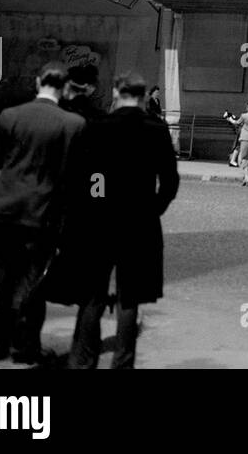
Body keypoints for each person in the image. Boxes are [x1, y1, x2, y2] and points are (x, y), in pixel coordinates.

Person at [48, 72, 179, 369]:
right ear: (144, 96)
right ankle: (122, 362)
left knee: (92, 293)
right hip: (139, 222)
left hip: (99, 221)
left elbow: (83, 176)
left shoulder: (98, 127)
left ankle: (83, 359)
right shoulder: (156, 129)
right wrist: (153, 209)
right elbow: (169, 182)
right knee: (129, 298)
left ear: (118, 94)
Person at [0, 61, 85, 365]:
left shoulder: (10, 116)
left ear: (38, 82)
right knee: (33, 283)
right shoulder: (73, 125)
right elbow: (73, 178)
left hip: (6, 209)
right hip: (44, 213)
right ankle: (24, 347)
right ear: (65, 88)